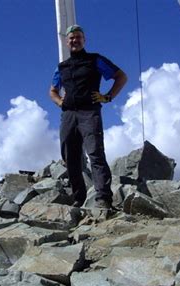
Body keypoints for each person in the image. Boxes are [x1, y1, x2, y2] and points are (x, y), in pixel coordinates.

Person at [49, 25, 128, 209]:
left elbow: (121, 76)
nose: (74, 41)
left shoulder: (95, 60)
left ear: (84, 40)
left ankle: (103, 199)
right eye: (71, 38)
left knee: (95, 154)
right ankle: (79, 198)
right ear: (67, 42)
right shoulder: (62, 67)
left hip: (89, 112)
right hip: (68, 115)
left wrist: (108, 97)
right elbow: (52, 90)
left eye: (78, 37)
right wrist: (60, 102)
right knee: (70, 157)